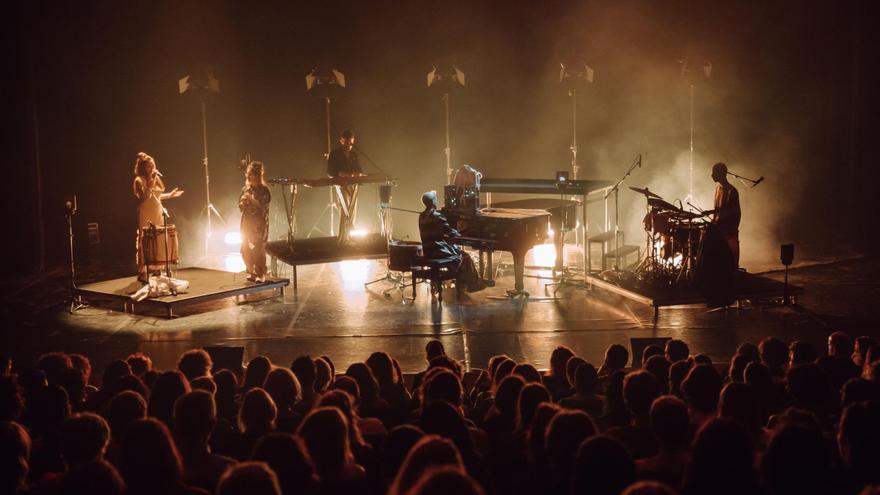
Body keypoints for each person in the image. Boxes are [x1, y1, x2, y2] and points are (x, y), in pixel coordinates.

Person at [418, 191, 485, 293]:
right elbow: (450, 232)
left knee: (457, 253)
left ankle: (461, 282)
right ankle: (472, 284)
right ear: (433, 202)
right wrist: (462, 233)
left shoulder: (422, 216)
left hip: (428, 250)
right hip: (438, 250)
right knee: (465, 257)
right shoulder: (437, 216)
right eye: (436, 199)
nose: (437, 200)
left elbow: (436, 232)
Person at [132, 152, 183, 283]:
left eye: (153, 165)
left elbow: (157, 196)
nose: (152, 168)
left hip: (157, 211)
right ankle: (143, 271)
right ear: (143, 168)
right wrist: (150, 181)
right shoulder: (139, 181)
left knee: (159, 238)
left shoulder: (155, 179)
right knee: (146, 239)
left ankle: (157, 268)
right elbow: (144, 198)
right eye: (149, 166)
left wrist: (170, 195)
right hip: (146, 212)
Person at [326, 129, 363, 244]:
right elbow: (329, 171)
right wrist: (340, 173)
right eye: (346, 143)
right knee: (345, 211)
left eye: (351, 143)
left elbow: (359, 170)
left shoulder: (354, 155)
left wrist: (358, 173)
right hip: (341, 185)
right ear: (342, 141)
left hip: (353, 186)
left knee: (353, 212)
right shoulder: (334, 154)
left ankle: (349, 238)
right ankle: (343, 239)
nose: (349, 145)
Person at [239, 161, 271, 282]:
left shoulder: (264, 190)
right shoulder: (245, 189)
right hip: (246, 222)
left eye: (253, 174)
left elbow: (262, 206)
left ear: (258, 175)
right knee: (244, 247)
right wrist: (242, 202)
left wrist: (251, 199)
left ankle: (261, 273)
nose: (250, 177)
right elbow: (240, 207)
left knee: (258, 248)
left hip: (259, 224)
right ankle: (251, 271)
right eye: (249, 174)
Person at [707, 162, 741, 268]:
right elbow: (719, 209)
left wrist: (730, 232)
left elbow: (734, 213)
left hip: (728, 232)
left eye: (714, 173)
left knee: (730, 263)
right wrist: (712, 217)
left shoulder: (732, 191)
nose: (712, 175)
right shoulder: (718, 188)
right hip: (719, 229)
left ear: (721, 174)